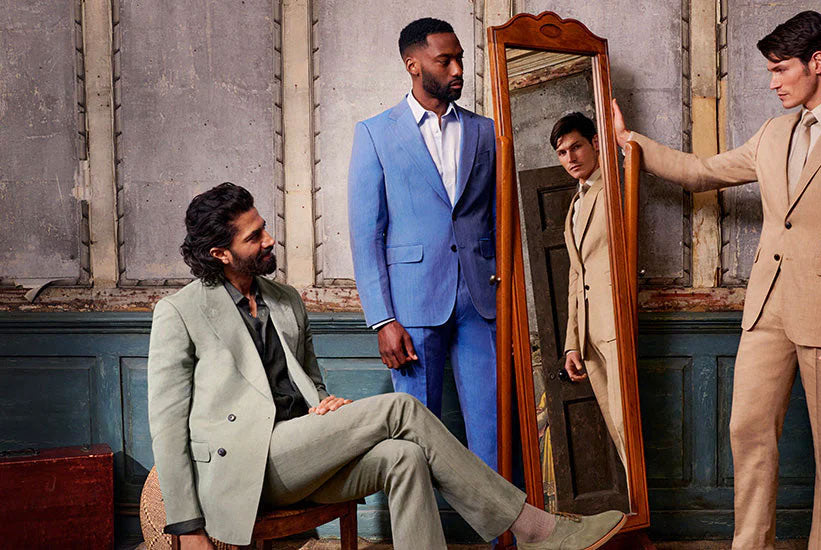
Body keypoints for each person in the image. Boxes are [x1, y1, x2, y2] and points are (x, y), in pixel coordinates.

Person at [147, 182, 626, 549]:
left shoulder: (285, 299)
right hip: (247, 467)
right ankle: (534, 529)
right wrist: (188, 527)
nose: (270, 239)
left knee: (405, 458)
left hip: (303, 448)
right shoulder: (179, 312)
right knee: (401, 408)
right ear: (220, 253)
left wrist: (324, 405)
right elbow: (167, 428)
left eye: (264, 227)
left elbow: (309, 381)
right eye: (255, 237)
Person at [612, 11, 821, 550]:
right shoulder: (774, 132)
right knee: (746, 430)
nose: (772, 83)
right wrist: (630, 141)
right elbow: (702, 172)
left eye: (780, 69)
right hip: (766, 309)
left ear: (817, 63)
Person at [348, 17, 499, 469]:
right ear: (413, 64)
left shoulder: (485, 131)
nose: (458, 70)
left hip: (482, 301)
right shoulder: (375, 132)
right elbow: (366, 235)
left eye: (460, 59)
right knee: (418, 435)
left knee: (493, 430)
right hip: (412, 305)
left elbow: (499, 219)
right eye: (445, 60)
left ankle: (499, 518)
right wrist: (383, 320)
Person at [550, 112, 627, 468]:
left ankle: (644, 501)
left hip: (615, 326)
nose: (570, 158)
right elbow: (575, 276)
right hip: (589, 339)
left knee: (628, 426)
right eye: (562, 153)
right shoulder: (575, 203)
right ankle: (637, 499)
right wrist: (571, 343)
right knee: (616, 429)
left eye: (576, 147)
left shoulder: (614, 186)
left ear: (596, 143)